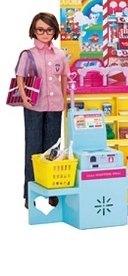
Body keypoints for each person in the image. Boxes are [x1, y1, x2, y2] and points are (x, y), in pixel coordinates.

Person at [17, 13, 68, 209]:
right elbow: (20, 77)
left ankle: (52, 191)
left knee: (53, 149)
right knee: (33, 149)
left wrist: (64, 100)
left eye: (49, 30)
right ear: (34, 31)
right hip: (34, 107)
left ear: (54, 31)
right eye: (40, 30)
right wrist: (24, 97)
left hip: (55, 106)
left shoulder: (60, 54)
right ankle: (30, 193)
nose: (45, 34)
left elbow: (64, 77)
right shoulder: (28, 54)